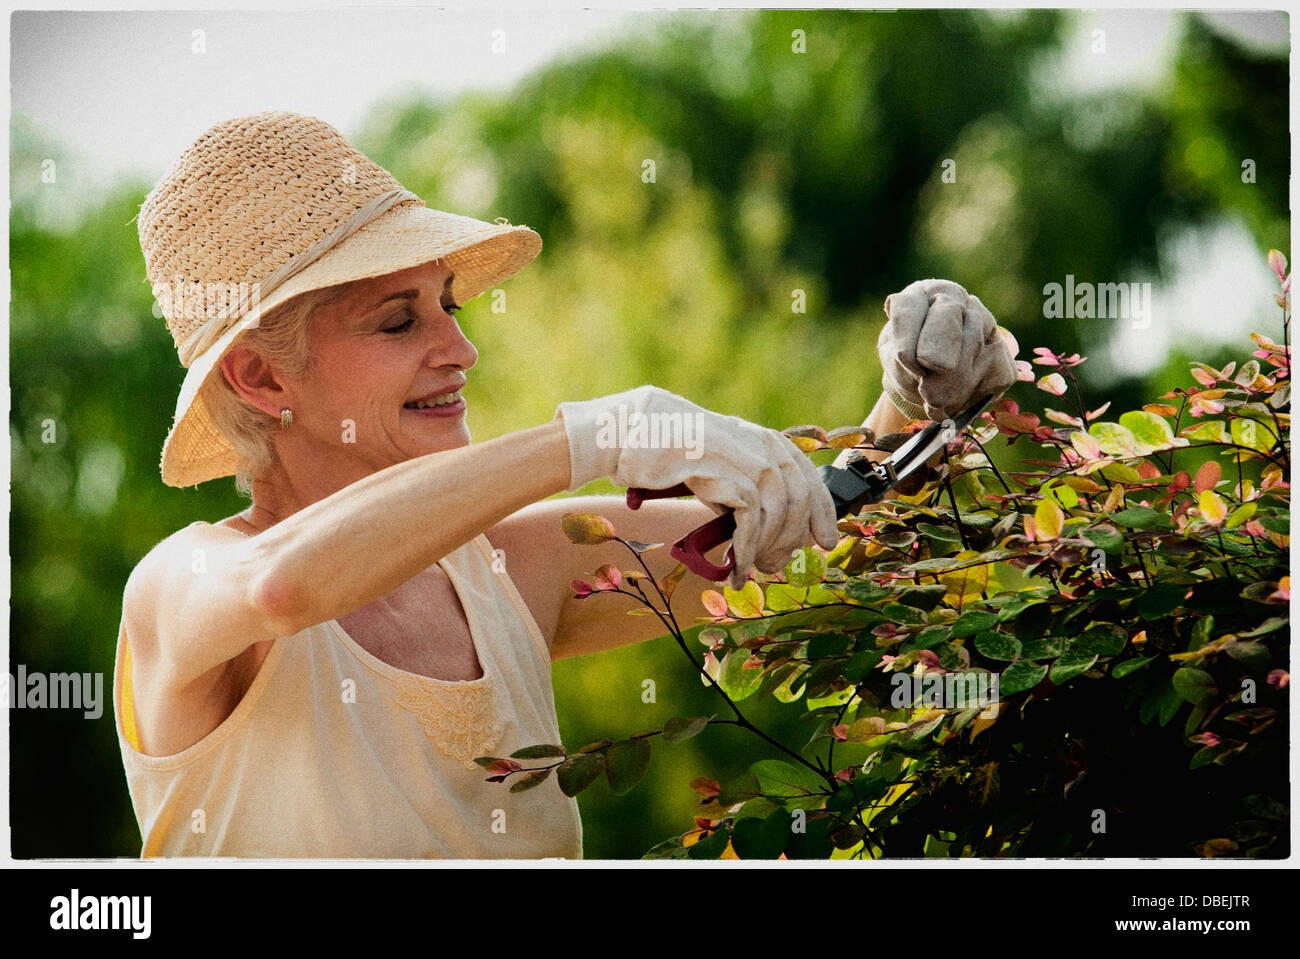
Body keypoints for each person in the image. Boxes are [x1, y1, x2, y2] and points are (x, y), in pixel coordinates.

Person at [113, 110, 1016, 859]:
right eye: (398, 321)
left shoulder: (512, 564)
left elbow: (803, 535)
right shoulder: (179, 584)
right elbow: (284, 583)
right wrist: (593, 437)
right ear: (262, 380)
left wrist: (910, 415)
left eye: (450, 308)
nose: (460, 351)